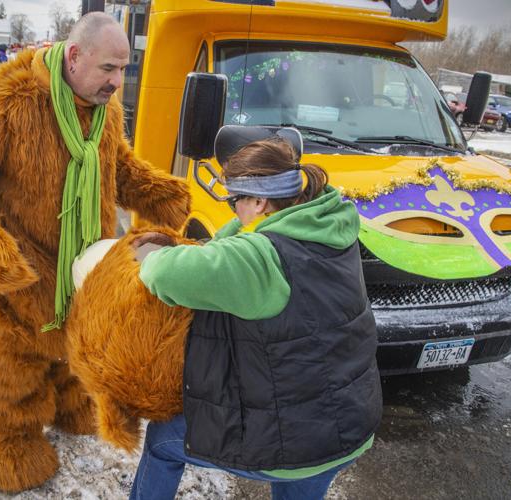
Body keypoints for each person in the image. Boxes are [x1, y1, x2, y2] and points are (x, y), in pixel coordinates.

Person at [0, 12, 190, 493]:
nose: (116, 81)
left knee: (69, 346)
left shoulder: (102, 109)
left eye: (122, 69)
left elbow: (115, 165)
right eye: (108, 68)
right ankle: (11, 439)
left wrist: (152, 190)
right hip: (12, 274)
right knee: (4, 368)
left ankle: (68, 402)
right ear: (74, 55)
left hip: (78, 265)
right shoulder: (11, 99)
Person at [129, 136, 383, 500]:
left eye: (236, 201)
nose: (234, 211)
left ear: (260, 201)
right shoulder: (330, 228)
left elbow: (162, 275)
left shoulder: (264, 260)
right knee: (299, 477)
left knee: (161, 439)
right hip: (345, 425)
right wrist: (238, 229)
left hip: (297, 440)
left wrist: (148, 255)